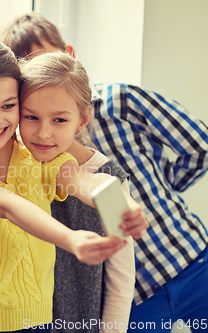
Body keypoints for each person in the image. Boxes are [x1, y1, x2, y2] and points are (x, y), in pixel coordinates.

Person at [0, 11, 208, 332]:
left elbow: (200, 148)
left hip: (188, 259)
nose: (45, 79)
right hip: (136, 297)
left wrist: (157, 193)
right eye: (31, 76)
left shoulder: (119, 105)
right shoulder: (28, 158)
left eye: (47, 62)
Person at [0, 38, 147, 333]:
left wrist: (123, 206)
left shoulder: (38, 161)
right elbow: (8, 206)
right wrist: (70, 240)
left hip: (37, 322)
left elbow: (84, 179)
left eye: (7, 106)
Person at [19, 51, 135, 333]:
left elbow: (121, 279)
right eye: (31, 117)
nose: (43, 133)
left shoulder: (107, 178)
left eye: (59, 120)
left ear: (82, 120)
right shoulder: (10, 164)